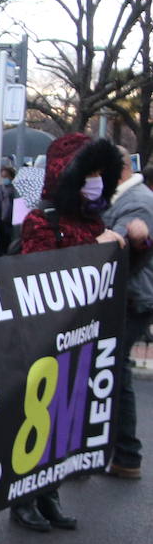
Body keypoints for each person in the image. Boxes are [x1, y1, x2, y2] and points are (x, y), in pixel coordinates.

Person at [9, 134, 124, 534]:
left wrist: (134, 245)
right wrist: (97, 246)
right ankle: (23, 499)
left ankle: (50, 494)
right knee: (34, 420)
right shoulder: (41, 220)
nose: (94, 181)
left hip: (80, 340)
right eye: (87, 173)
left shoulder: (94, 222)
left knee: (63, 422)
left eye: (99, 175)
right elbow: (39, 276)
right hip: (41, 342)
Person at [104, 146, 153, 479]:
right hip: (134, 296)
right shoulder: (132, 197)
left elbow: (116, 246)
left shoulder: (136, 201)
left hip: (133, 298)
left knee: (117, 372)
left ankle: (126, 453)